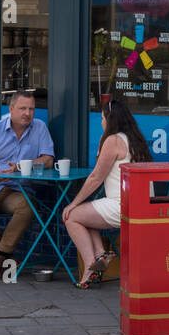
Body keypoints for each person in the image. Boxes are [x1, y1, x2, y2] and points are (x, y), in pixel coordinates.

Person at [61, 98, 153, 288]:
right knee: (88, 215)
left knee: (72, 217)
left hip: (124, 206)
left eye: (102, 118)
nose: (101, 122)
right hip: (143, 204)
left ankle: (89, 266)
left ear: (109, 119)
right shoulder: (135, 139)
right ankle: (100, 254)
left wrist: (73, 203)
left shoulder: (113, 140)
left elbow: (96, 177)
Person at [0, 90, 55, 280]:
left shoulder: (39, 128)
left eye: (31, 109)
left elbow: (48, 159)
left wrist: (22, 166)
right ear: (11, 109)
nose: (28, 113)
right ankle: (1, 254)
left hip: (17, 189)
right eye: (23, 108)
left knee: (27, 207)